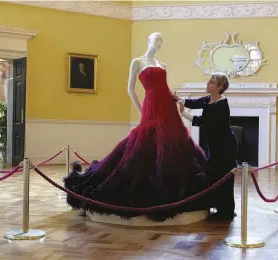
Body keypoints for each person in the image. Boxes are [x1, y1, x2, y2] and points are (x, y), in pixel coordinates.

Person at [64, 32, 213, 222]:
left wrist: (176, 101)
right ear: (149, 41)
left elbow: (164, 86)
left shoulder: (162, 65)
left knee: (173, 141)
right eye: (156, 40)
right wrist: (141, 109)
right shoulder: (137, 62)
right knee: (146, 142)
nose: (159, 43)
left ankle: (180, 187)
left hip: (167, 103)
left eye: (162, 41)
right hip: (151, 103)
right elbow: (130, 89)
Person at [174, 72, 238, 220]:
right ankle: (217, 206)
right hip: (215, 145)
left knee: (223, 176)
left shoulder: (221, 105)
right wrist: (179, 99)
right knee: (214, 175)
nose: (207, 84)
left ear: (220, 86)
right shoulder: (208, 99)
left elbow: (203, 121)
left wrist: (183, 113)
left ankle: (226, 211)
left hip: (225, 147)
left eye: (211, 82)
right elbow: (194, 102)